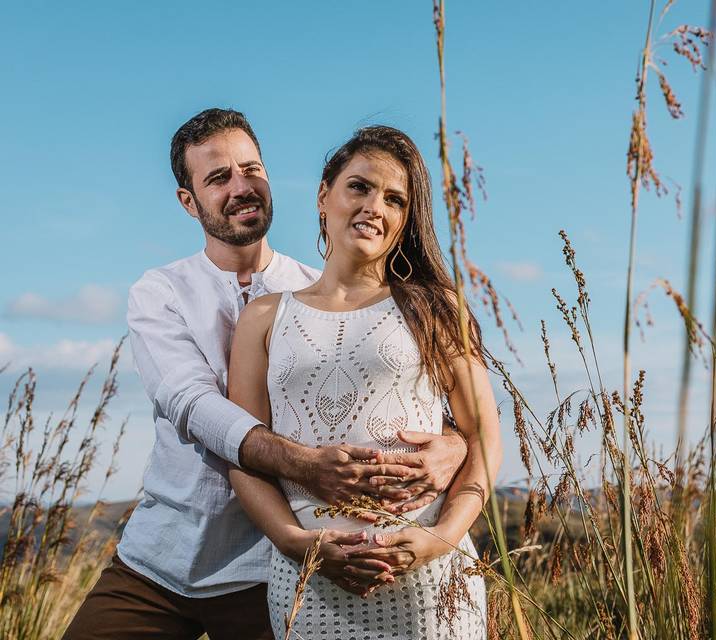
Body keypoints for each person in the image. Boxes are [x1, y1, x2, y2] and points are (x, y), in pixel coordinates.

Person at [63, 109, 468, 640]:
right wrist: (303, 462)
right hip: (163, 562)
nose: (241, 187)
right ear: (189, 202)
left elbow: (407, 403)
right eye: (217, 178)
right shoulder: (160, 292)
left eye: (251, 169)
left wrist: (454, 445)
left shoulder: (314, 294)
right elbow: (192, 404)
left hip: (274, 565)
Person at [227, 125, 502, 639]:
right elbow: (243, 454)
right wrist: (294, 543)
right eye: (360, 187)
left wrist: (440, 539)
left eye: (395, 199)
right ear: (323, 195)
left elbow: (485, 437)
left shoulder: (436, 308)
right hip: (308, 579)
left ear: (404, 220)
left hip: (427, 578)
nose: (375, 206)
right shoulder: (263, 317)